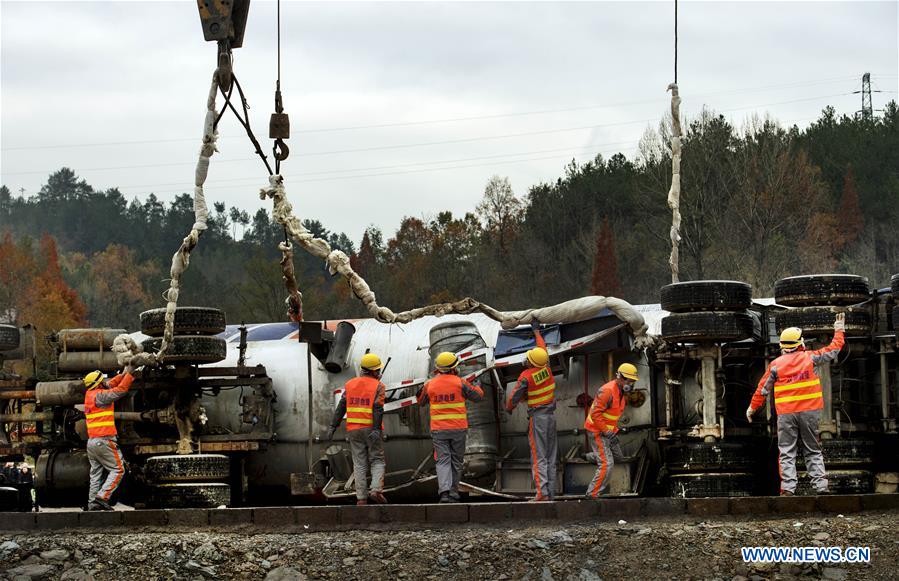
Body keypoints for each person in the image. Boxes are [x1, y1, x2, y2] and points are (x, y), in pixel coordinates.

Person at [747, 313, 845, 496]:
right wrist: (839, 329)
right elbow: (834, 349)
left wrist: (752, 408)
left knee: (786, 452)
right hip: (809, 413)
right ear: (800, 343)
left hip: (786, 415)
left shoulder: (775, 365)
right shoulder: (811, 357)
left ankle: (788, 490)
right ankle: (821, 488)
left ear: (782, 346)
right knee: (813, 449)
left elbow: (762, 389)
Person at [417, 351, 484, 503]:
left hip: (439, 430)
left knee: (442, 461)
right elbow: (478, 397)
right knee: (456, 461)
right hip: (458, 429)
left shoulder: (430, 384)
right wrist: (477, 385)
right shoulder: (460, 382)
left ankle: (445, 493)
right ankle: (454, 493)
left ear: (438, 368)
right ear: (454, 368)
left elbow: (420, 401)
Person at [505, 321, 557, 501]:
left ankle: (541, 493)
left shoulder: (526, 376)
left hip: (538, 419)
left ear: (530, 362)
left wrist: (509, 408)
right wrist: (536, 332)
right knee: (550, 456)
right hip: (551, 417)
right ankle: (550, 492)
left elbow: (514, 397)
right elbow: (542, 348)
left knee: (539, 456)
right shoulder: (547, 367)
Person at [327, 353, 388, 505]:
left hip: (354, 430)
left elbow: (341, 406)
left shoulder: (350, 384)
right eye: (378, 370)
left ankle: (361, 498)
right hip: (371, 429)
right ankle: (375, 489)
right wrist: (375, 429)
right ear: (374, 371)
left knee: (359, 463)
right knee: (377, 460)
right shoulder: (379, 386)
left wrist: (333, 426)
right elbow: (378, 408)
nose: (379, 373)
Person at [584, 363, 639, 498]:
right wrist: (606, 431)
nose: (630, 384)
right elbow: (596, 414)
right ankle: (592, 494)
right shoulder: (607, 391)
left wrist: (612, 431)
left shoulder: (622, 393)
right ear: (619, 377)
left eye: (632, 381)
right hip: (597, 430)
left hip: (608, 431)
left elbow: (611, 415)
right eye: (628, 380)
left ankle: (591, 456)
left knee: (619, 457)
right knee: (607, 464)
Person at [82, 366, 134, 511]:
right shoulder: (101, 396)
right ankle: (102, 497)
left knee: (95, 473)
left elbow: (111, 384)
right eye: (102, 380)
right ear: (98, 383)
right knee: (118, 470)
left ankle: (92, 503)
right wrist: (130, 374)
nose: (104, 381)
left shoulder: (90, 394)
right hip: (104, 440)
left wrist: (122, 373)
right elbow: (121, 390)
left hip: (92, 442)